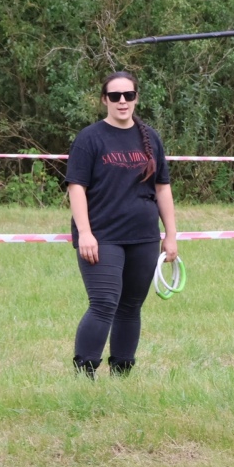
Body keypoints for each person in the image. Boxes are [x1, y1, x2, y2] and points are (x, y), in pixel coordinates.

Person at [65, 71, 177, 378]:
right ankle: (84, 372)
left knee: (130, 306)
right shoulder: (90, 138)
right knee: (104, 302)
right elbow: (76, 188)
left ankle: (122, 373)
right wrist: (85, 233)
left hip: (143, 236)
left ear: (136, 98)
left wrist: (170, 235)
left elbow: (163, 188)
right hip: (102, 236)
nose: (122, 101)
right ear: (105, 100)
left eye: (128, 95)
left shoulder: (150, 137)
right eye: (115, 96)